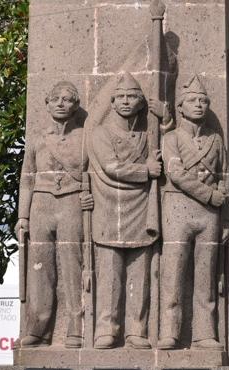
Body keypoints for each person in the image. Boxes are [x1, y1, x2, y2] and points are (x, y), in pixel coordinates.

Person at [88, 71, 167, 349]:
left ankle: (137, 329)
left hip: (141, 209)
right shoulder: (100, 133)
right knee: (109, 274)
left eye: (132, 96)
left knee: (140, 275)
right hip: (110, 207)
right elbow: (111, 167)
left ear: (141, 102)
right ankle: (106, 330)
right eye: (120, 96)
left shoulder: (149, 136)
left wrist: (166, 121)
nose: (125, 101)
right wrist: (145, 170)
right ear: (111, 102)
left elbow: (173, 152)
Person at [15, 80, 93, 348]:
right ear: (47, 103)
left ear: (76, 105)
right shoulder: (37, 139)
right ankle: (38, 327)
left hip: (71, 201)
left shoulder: (85, 136)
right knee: (40, 268)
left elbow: (93, 174)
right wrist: (22, 216)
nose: (61, 103)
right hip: (41, 204)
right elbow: (27, 178)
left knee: (73, 264)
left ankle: (76, 325)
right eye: (56, 98)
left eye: (68, 98)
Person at [158, 74, 229, 350]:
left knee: (206, 276)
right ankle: (170, 332)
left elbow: (225, 175)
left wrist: (226, 217)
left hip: (209, 215)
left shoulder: (216, 140)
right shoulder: (172, 138)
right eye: (193, 101)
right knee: (173, 275)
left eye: (203, 101)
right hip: (178, 210)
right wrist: (211, 195)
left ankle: (204, 334)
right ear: (181, 107)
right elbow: (175, 174)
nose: (199, 105)